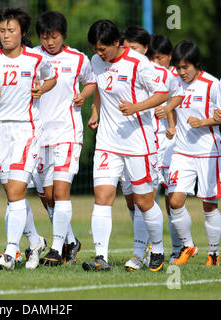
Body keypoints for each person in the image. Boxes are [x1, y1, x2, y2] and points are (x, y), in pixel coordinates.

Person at [0, 7, 56, 270]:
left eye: (11, 30)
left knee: (17, 190)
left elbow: (51, 77)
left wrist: (42, 87)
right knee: (12, 193)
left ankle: (10, 252)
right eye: (2, 30)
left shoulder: (34, 58)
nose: (6, 35)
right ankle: (35, 239)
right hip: (0, 131)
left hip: (27, 130)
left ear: (22, 32)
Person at [83, 20, 168, 272]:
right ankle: (101, 258)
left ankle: (158, 249)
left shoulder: (139, 64)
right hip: (108, 143)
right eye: (96, 49)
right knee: (102, 197)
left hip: (138, 143)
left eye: (103, 49)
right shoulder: (97, 61)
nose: (99, 54)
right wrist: (95, 111)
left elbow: (162, 93)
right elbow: (98, 84)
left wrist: (136, 107)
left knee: (143, 201)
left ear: (117, 43)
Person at [32, 11, 96, 266]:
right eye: (45, 37)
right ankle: (71, 240)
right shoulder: (32, 57)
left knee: (61, 191)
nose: (49, 42)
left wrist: (84, 95)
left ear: (63, 35)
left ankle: (57, 249)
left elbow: (91, 83)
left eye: (54, 36)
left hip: (67, 132)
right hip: (38, 134)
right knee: (47, 196)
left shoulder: (78, 58)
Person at [119, 26, 184, 271]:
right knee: (133, 199)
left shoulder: (162, 74)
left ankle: (155, 249)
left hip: (155, 142)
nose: (129, 53)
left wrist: (168, 119)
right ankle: (147, 247)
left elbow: (174, 98)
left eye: (134, 49)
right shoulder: (129, 68)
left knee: (150, 197)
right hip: (126, 141)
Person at [163, 40, 221, 266]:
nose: (181, 72)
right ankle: (188, 246)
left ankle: (213, 254)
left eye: (185, 67)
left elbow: (220, 117)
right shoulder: (174, 82)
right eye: (178, 67)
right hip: (182, 152)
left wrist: (203, 122)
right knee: (175, 201)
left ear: (197, 64)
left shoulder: (213, 84)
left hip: (209, 151)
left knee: (209, 204)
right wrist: (171, 126)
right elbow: (171, 106)